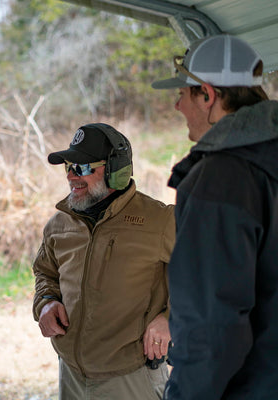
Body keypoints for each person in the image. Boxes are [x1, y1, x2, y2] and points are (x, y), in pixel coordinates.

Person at [152, 34, 278, 399]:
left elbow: (211, 329)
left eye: (183, 94)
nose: (177, 106)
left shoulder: (219, 181)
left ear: (208, 95)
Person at [32, 123, 175, 399]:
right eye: (68, 167)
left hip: (132, 376)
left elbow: (206, 275)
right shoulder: (59, 224)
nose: (72, 176)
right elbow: (45, 273)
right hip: (72, 375)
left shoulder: (160, 221)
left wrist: (172, 318)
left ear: (115, 170)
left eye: (83, 168)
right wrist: (46, 301)